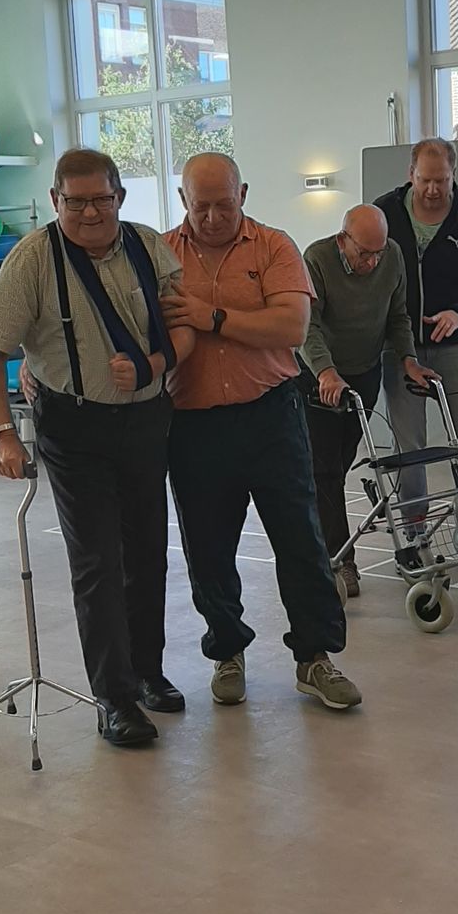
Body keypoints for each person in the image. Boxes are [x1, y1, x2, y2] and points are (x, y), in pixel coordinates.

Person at [0, 147, 194, 750]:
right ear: (55, 200)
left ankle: (146, 673)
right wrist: (2, 433)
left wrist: (154, 364)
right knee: (98, 562)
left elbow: (183, 327)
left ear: (119, 197)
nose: (90, 212)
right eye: (76, 202)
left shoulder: (149, 246)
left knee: (147, 554)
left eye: (101, 199)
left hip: (145, 420)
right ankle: (114, 700)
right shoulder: (32, 260)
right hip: (74, 430)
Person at [159, 153, 361, 712]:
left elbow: (290, 325)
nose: (213, 217)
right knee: (208, 548)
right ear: (183, 200)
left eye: (224, 205)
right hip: (194, 422)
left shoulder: (273, 247)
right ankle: (227, 651)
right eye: (201, 206)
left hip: (271, 414)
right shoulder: (160, 255)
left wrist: (213, 317)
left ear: (243, 194)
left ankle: (315, 658)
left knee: (301, 540)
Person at [299, 204, 432, 596]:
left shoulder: (392, 257)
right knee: (324, 470)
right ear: (343, 240)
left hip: (364, 372)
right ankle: (341, 562)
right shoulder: (317, 259)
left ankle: (322, 543)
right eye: (364, 254)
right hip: (318, 377)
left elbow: (398, 316)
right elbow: (308, 325)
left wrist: (408, 359)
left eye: (378, 252)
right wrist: (325, 371)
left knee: (338, 465)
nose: (372, 262)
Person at [376, 137, 458, 518]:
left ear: (454, 175)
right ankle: (414, 533)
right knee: (408, 450)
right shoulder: (385, 214)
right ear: (410, 174)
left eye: (441, 181)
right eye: (425, 180)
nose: (432, 190)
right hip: (401, 350)